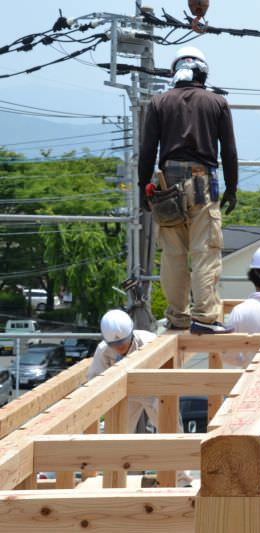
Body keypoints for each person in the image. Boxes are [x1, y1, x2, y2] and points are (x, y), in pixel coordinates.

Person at [138, 46, 237, 335]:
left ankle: (177, 318)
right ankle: (205, 318)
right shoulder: (217, 102)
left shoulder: (159, 102)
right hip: (202, 180)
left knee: (173, 253)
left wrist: (144, 189)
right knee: (204, 250)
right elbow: (228, 151)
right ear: (202, 73)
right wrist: (232, 188)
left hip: (166, 182)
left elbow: (147, 151)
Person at [87, 310, 192, 487]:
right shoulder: (104, 351)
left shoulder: (149, 342)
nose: (119, 348)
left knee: (172, 430)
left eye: (122, 343)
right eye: (115, 344)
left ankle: (182, 480)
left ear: (130, 334)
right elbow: (94, 380)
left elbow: (172, 364)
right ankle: (113, 481)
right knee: (116, 435)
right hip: (124, 395)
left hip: (154, 390)